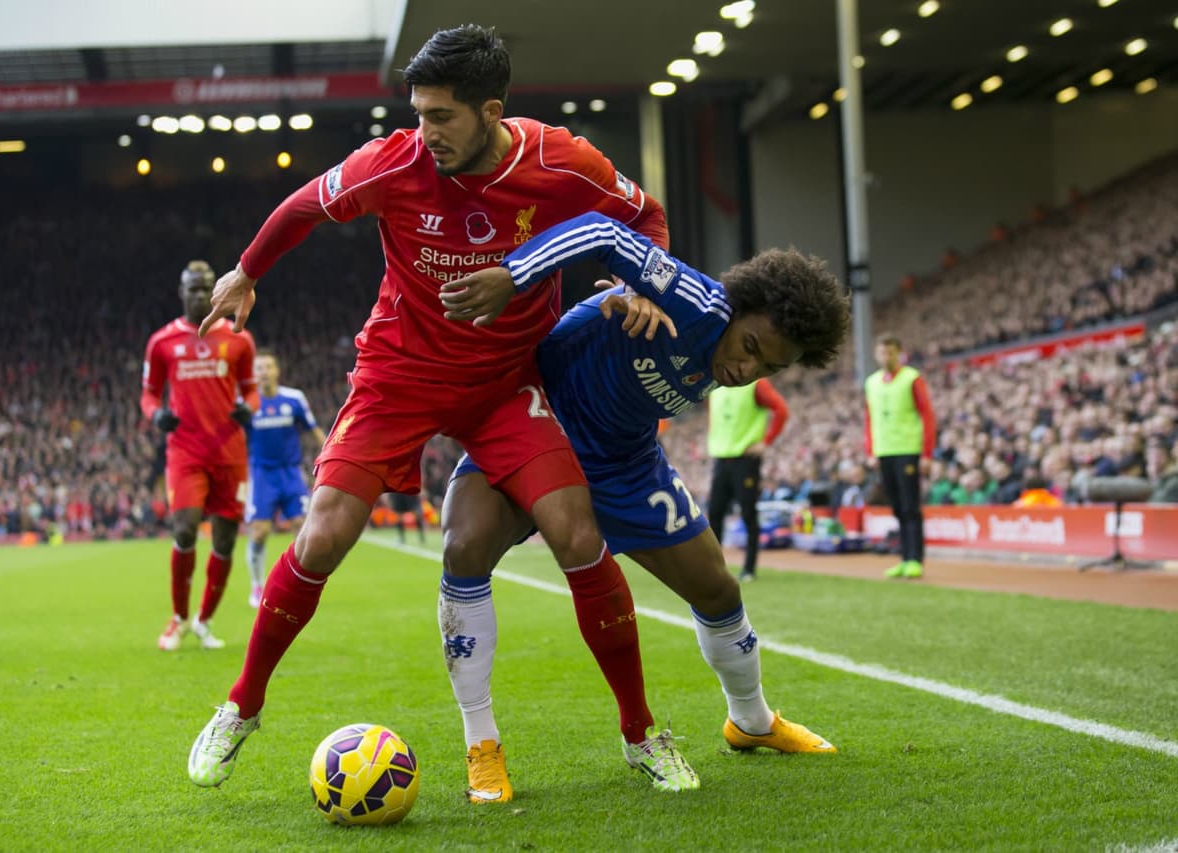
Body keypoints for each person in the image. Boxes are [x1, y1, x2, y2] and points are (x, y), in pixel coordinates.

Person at [187, 24, 690, 793]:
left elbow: (646, 217)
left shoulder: (560, 162)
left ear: (491, 111)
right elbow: (301, 207)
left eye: (441, 116)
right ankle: (241, 707)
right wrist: (247, 271)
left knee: (576, 531)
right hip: (399, 375)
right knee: (322, 536)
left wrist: (641, 284)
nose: (425, 132)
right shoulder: (393, 162)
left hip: (504, 385)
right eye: (418, 112)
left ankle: (640, 731)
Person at [438, 211, 849, 802]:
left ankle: (751, 722)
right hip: (539, 429)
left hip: (625, 462)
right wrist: (514, 274)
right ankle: (482, 743)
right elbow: (603, 233)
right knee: (464, 546)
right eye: (751, 347)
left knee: (717, 589)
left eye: (770, 367)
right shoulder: (696, 303)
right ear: (735, 309)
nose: (746, 370)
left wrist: (632, 291)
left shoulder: (731, 353)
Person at [141, 261, 258, 650]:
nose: (198, 295)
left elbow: (252, 391)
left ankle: (204, 621)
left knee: (224, 542)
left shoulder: (239, 338)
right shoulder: (163, 342)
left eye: (205, 288)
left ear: (216, 291)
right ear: (181, 292)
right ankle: (177, 617)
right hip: (185, 452)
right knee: (185, 527)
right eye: (191, 288)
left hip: (229, 453)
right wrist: (155, 414)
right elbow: (148, 393)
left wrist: (248, 408)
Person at [244, 351, 327, 607]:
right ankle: (257, 586)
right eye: (258, 368)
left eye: (268, 367)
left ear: (277, 371)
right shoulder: (246, 404)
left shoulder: (294, 399)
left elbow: (313, 429)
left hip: (290, 473)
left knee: (302, 528)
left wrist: (329, 459)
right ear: (253, 373)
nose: (264, 372)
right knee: (259, 532)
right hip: (261, 475)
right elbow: (233, 436)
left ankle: (294, 584)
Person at [864, 333, 936, 579]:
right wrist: (871, 450)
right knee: (896, 507)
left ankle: (915, 559)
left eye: (891, 352)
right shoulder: (871, 382)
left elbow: (927, 415)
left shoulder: (912, 379)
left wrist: (927, 453)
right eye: (883, 352)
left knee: (910, 506)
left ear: (899, 353)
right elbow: (869, 419)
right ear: (876, 354)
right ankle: (904, 558)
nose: (887, 356)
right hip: (884, 452)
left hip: (908, 450)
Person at [706, 378, 789, 580]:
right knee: (714, 513)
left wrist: (766, 442)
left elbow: (781, 410)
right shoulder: (713, 387)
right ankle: (714, 569)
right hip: (720, 459)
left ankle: (749, 569)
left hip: (745, 460)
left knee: (748, 513)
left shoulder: (756, 385)